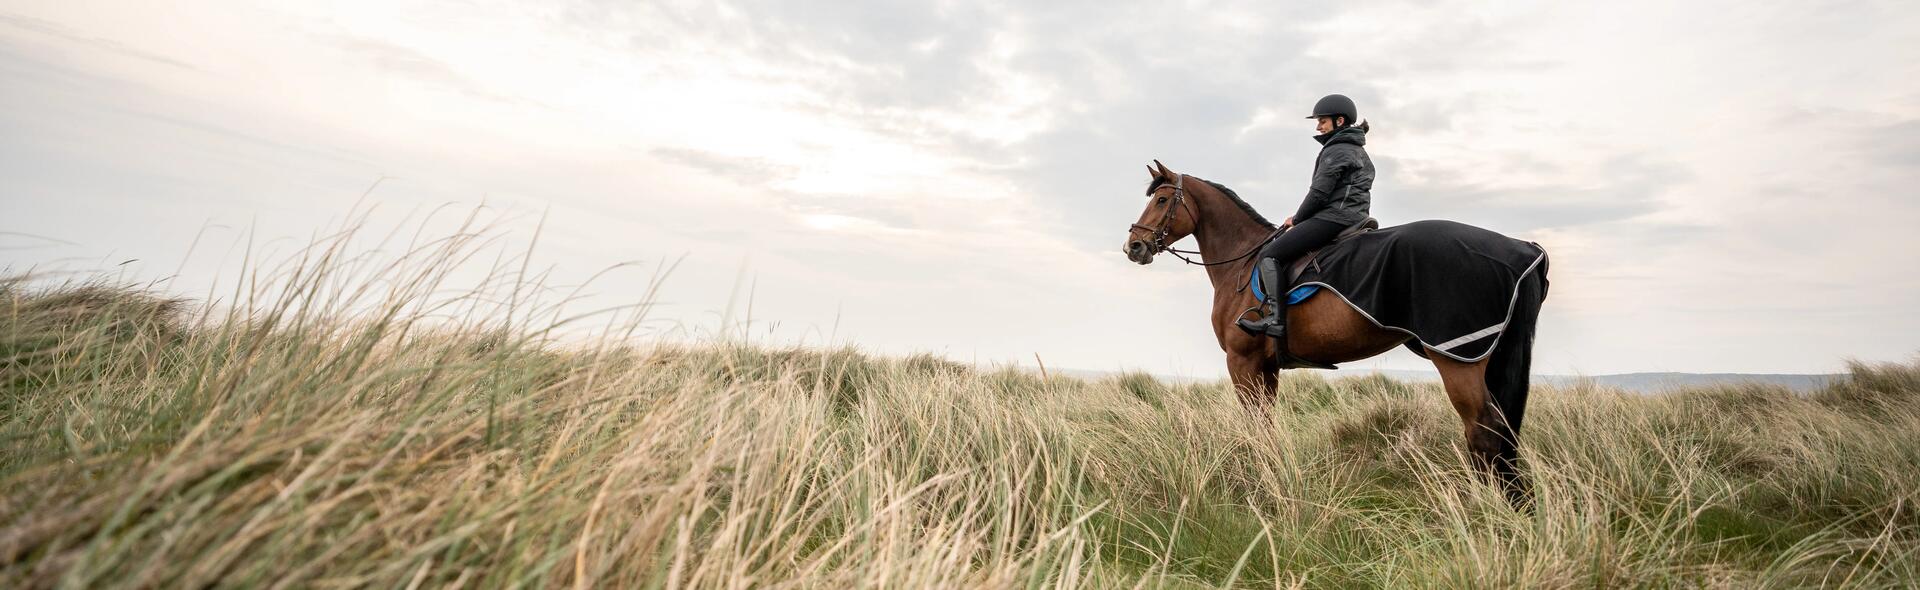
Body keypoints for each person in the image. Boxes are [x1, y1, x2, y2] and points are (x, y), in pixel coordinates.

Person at [1236, 94, 1374, 339]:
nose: (1318, 126)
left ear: (1339, 121)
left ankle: (1275, 320)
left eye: (1322, 121)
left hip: (1335, 217)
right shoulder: (1356, 149)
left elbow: (1319, 193)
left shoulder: (1338, 149)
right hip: (1353, 215)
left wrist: (1297, 220)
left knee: (1269, 254)